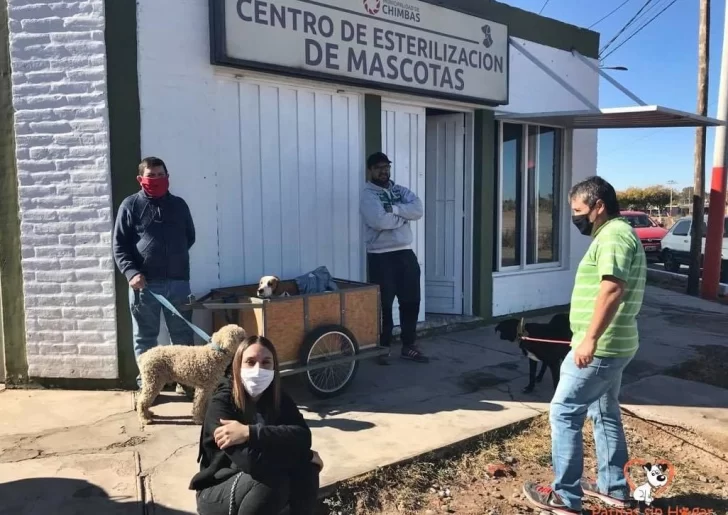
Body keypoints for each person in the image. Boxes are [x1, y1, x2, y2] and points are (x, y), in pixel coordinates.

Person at [523, 176, 646, 515]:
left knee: (564, 412)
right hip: (613, 344)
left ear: (598, 206)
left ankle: (565, 498)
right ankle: (615, 489)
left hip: (601, 347)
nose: (575, 217)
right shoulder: (615, 234)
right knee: (604, 412)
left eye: (578, 211)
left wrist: (589, 338)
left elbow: (611, 288)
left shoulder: (614, 236)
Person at [190, 335, 322, 515]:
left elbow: (303, 436)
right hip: (217, 489)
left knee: (307, 471)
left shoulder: (277, 396)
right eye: (250, 362)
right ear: (237, 366)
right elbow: (251, 462)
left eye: (266, 362)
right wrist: (304, 456)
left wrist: (250, 432)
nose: (258, 369)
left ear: (274, 367)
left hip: (252, 481)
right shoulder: (221, 403)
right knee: (273, 480)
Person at [112, 157, 197, 391]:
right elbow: (119, 246)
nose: (157, 180)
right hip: (144, 285)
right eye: (152, 176)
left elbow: (189, 237)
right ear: (141, 179)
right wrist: (131, 273)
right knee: (145, 338)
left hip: (179, 284)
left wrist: (173, 259)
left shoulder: (179, 205)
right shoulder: (130, 206)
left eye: (162, 175)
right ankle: (149, 387)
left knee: (182, 337)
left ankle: (186, 382)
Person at [360, 151, 428, 365]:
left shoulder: (399, 190)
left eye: (386, 167)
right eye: (379, 167)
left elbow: (418, 209)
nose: (384, 171)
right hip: (380, 256)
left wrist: (396, 209)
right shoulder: (368, 195)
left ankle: (409, 346)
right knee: (384, 306)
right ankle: (383, 347)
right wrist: (403, 219)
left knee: (411, 302)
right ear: (370, 170)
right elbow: (379, 221)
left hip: (405, 254)